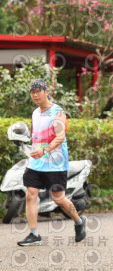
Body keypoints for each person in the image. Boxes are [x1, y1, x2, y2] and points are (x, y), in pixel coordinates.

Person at [18, 79, 88, 246]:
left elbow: (60, 137)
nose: (35, 95)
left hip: (55, 163)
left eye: (38, 91)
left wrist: (44, 150)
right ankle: (34, 234)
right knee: (30, 195)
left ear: (46, 92)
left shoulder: (57, 112)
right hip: (36, 163)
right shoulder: (35, 113)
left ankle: (79, 221)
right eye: (32, 92)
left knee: (59, 199)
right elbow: (36, 138)